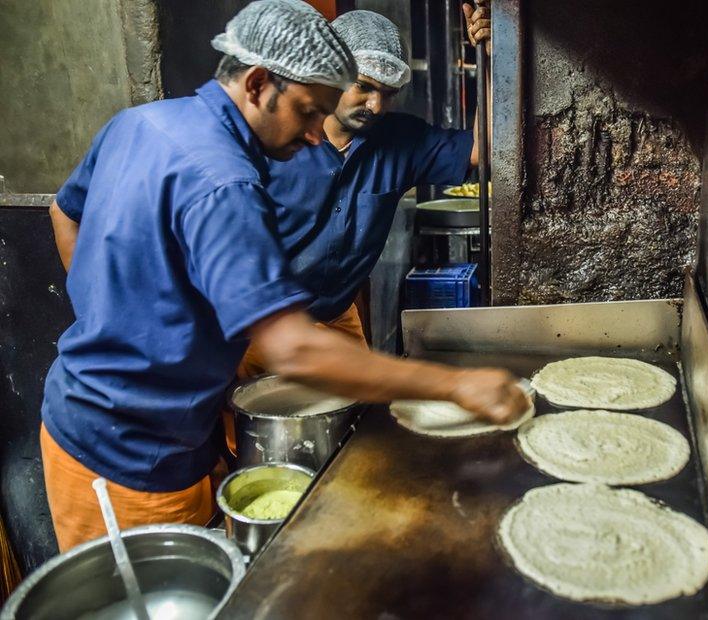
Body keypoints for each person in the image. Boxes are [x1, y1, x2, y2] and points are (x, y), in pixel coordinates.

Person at [43, 0, 526, 552]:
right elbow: (293, 350)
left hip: (135, 411)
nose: (317, 135)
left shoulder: (141, 121)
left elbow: (65, 209)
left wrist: (101, 313)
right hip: (128, 445)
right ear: (257, 83)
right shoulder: (228, 182)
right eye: (306, 111)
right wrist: (460, 385)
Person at [243, 3, 492, 358]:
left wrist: (492, 57)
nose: (375, 105)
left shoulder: (400, 141)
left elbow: (483, 149)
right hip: (264, 325)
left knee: (356, 412)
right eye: (363, 86)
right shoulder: (276, 139)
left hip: (337, 317)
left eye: (387, 93)